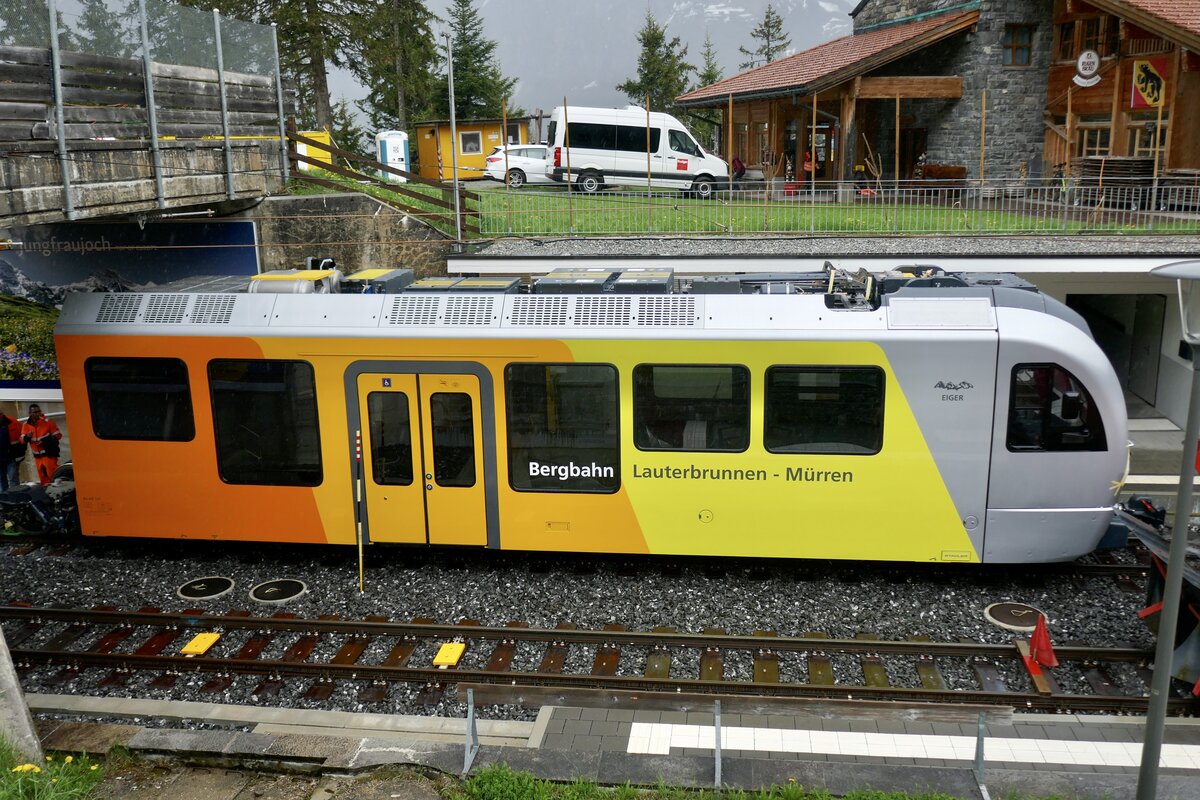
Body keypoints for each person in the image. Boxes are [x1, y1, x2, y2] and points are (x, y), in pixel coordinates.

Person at [21, 404, 61, 487]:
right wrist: (27, 437)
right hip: (37, 457)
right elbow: (22, 440)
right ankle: (46, 493)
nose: (37, 413)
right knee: (43, 478)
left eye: (38, 411)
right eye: (35, 412)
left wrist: (44, 441)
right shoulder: (26, 425)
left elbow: (58, 435)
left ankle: (57, 492)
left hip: (49, 454)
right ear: (30, 413)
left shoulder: (48, 422)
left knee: (53, 475)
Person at [2, 411, 22, 490]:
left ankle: (16, 498)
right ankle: (4, 500)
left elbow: (21, 436)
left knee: (13, 479)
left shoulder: (13, 421)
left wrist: (20, 456)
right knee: (2, 480)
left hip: (11, 457)